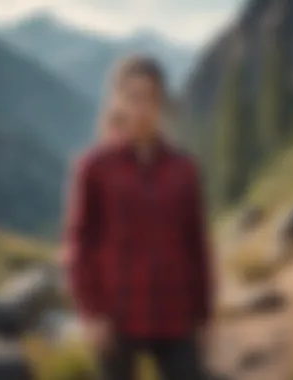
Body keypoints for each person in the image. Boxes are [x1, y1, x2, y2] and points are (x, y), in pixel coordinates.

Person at [63, 56, 216, 380]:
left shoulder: (183, 168)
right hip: (116, 317)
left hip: (176, 316)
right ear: (117, 101)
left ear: (161, 103)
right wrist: (91, 314)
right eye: (133, 97)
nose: (142, 108)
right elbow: (79, 244)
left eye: (151, 97)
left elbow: (197, 246)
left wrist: (203, 317)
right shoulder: (94, 167)